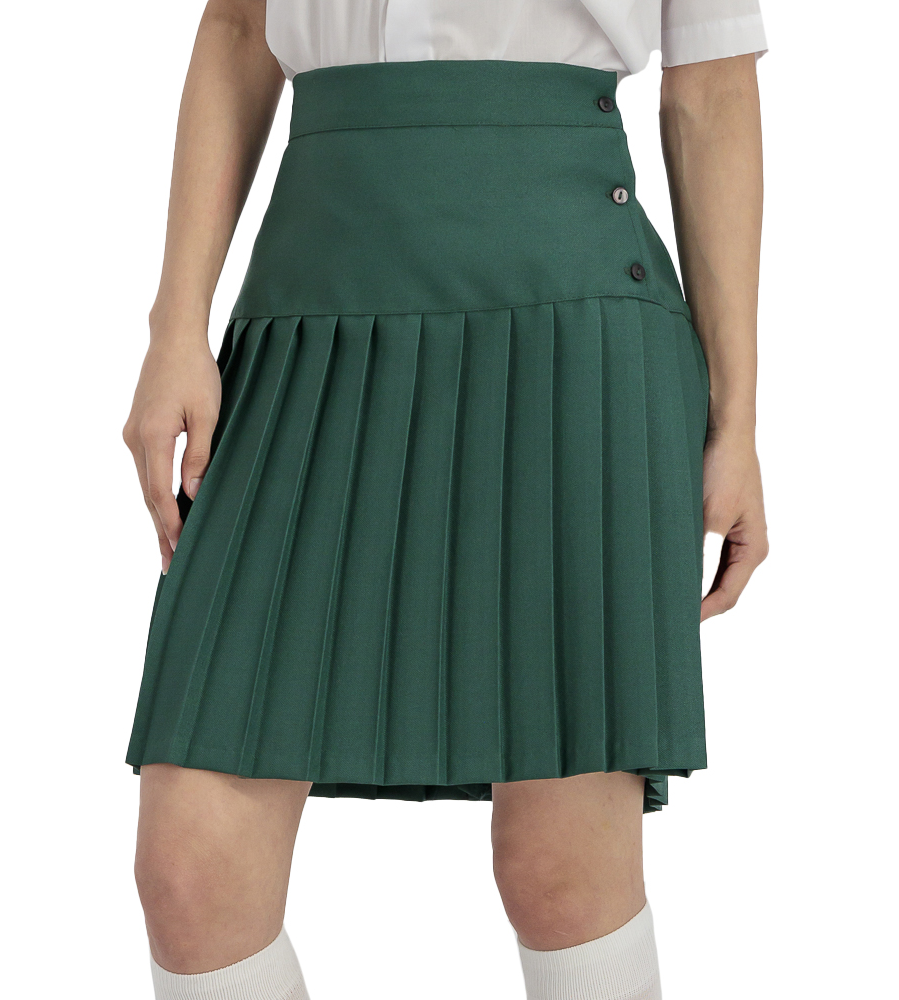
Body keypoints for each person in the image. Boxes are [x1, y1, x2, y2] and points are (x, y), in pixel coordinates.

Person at [122, 2, 769, 997]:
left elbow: (714, 90)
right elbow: (241, 27)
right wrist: (176, 328)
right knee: (189, 874)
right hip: (310, 317)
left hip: (573, 326)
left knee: (560, 872)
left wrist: (736, 423)